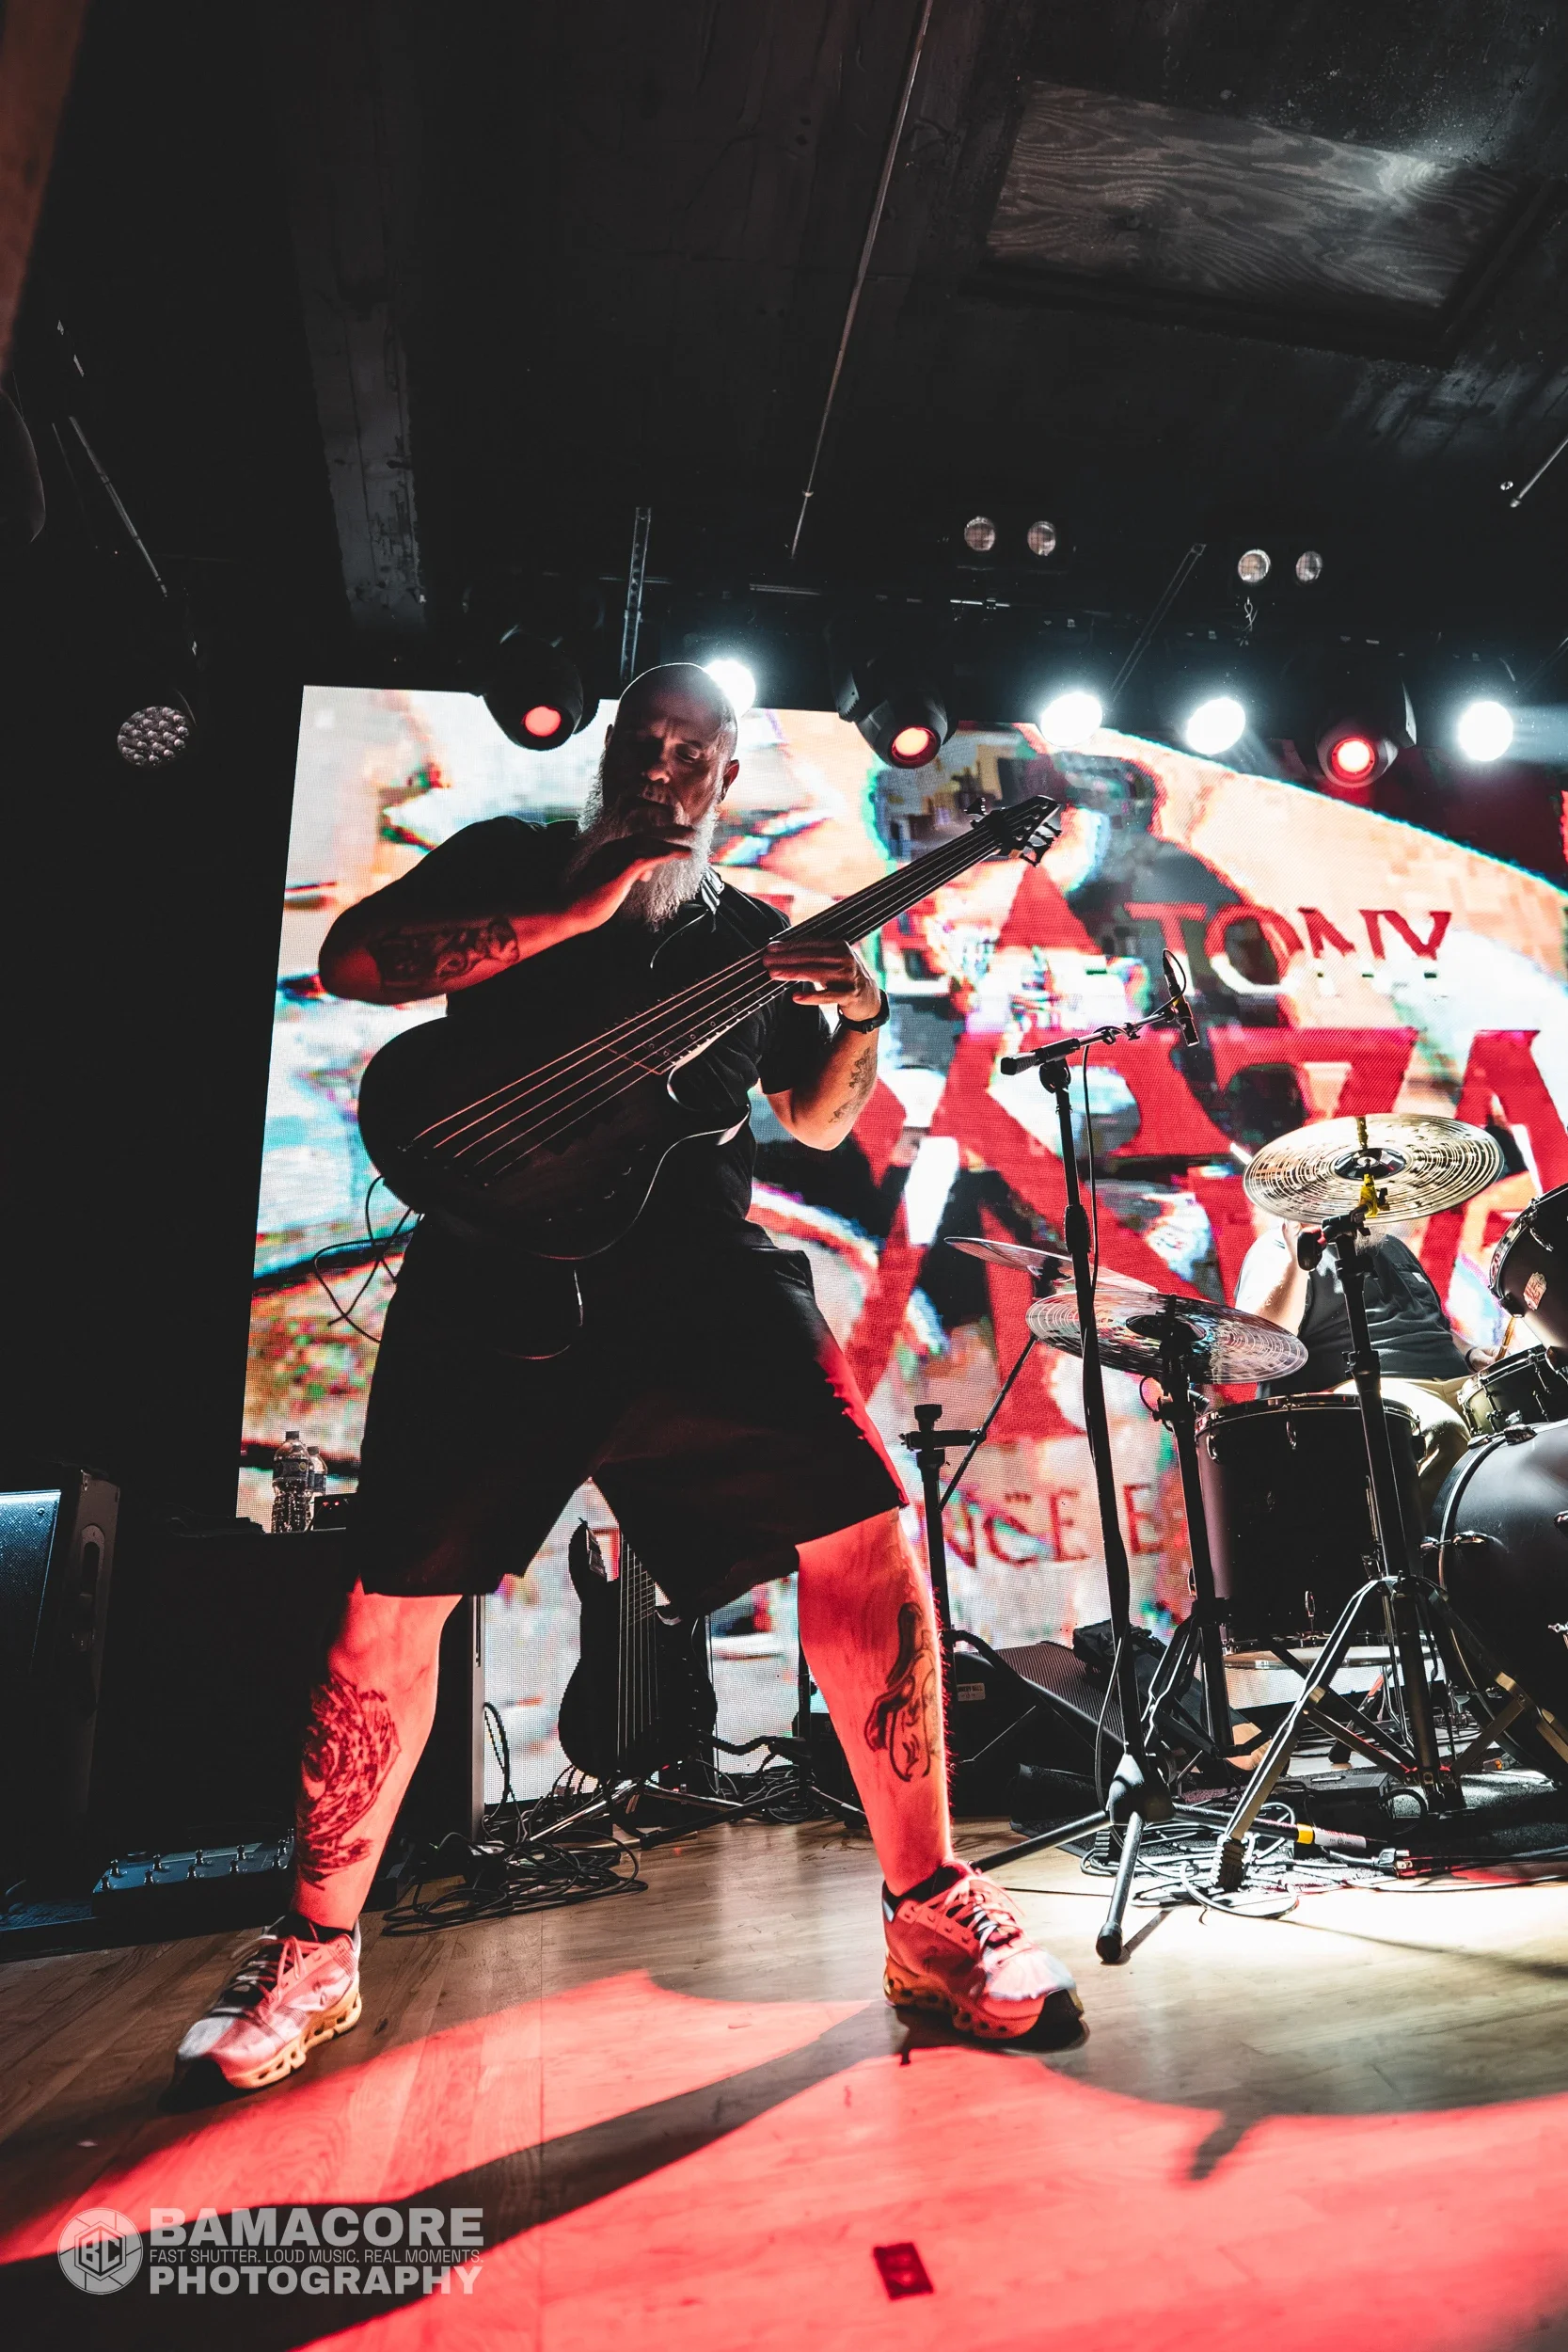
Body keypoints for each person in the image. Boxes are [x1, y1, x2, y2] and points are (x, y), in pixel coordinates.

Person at [175, 664, 1079, 2093]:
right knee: (383, 1614)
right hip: (488, 1265)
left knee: (866, 1538)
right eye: (644, 745)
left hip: (695, 1274)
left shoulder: (756, 935)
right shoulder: (523, 860)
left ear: (724, 780)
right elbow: (355, 963)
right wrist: (572, 914)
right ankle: (313, 1950)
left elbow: (814, 1120)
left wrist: (852, 1019)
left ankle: (925, 1913)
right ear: (612, 757)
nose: (663, 771)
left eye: (693, 755)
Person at [1235, 1215, 1497, 1507]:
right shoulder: (1275, 1249)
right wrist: (1297, 1264)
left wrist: (1471, 1353)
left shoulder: (1393, 1246)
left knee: (1523, 1433)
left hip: (1456, 1380)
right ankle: (1428, 1552)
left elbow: (1437, 1324)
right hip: (1365, 1389)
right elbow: (1261, 1340)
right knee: (1442, 1432)